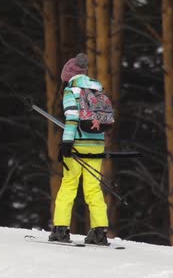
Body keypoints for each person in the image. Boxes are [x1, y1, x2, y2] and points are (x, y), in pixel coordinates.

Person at [47, 53, 109, 245]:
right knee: (93, 188)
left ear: (67, 75)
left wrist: (66, 143)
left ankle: (61, 230)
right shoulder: (97, 90)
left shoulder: (71, 91)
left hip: (77, 145)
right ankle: (99, 232)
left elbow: (72, 117)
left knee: (69, 185)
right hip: (97, 145)